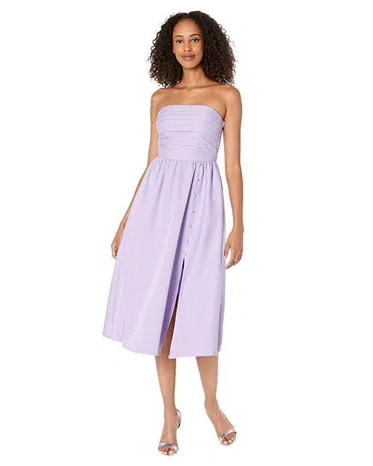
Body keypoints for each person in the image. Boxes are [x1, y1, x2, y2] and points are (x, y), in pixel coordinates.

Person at [102, 10, 243, 455]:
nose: (187, 48)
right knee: (160, 312)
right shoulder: (159, 99)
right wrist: (126, 219)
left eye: (194, 39)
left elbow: (232, 165)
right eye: (179, 40)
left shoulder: (226, 95)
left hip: (203, 207)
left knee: (199, 307)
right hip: (156, 212)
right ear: (170, 47)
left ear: (207, 43)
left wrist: (239, 225)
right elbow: (151, 162)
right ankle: (168, 414)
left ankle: (211, 405)